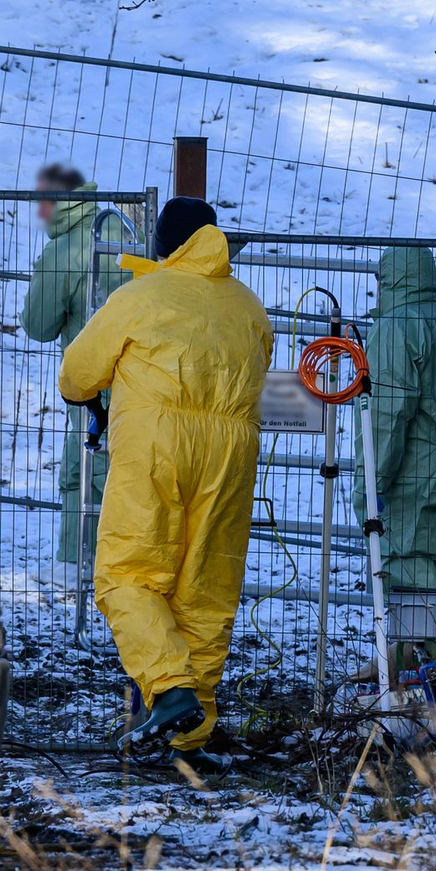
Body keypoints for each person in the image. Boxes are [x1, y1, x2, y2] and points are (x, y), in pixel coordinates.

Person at [58, 197, 273, 765]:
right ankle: (188, 739)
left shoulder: (138, 298)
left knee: (126, 576)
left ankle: (168, 688)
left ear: (165, 244)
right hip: (231, 453)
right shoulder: (249, 307)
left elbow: (77, 374)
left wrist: (95, 397)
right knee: (205, 591)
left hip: (156, 446)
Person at [20, 164, 127, 585]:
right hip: (143, 376)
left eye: (42, 202)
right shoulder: (122, 232)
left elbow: (37, 325)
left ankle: (77, 563)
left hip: (92, 379)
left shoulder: (65, 251)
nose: (39, 212)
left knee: (83, 465)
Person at [357, 246, 436, 593]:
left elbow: (387, 416)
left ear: (390, 279)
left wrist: (370, 484)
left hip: (413, 481)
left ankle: (406, 649)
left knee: (406, 582)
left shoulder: (395, 329)